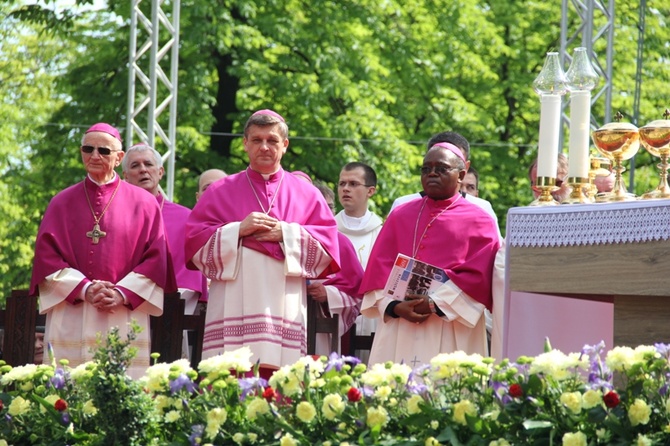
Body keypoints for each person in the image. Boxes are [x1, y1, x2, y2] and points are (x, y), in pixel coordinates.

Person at [184, 109, 340, 377]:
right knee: (230, 377)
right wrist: (237, 230)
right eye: (256, 140)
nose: (264, 147)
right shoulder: (221, 190)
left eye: (272, 140)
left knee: (282, 379)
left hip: (285, 303)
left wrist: (287, 233)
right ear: (245, 143)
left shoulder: (308, 194)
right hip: (232, 299)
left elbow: (327, 247)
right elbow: (194, 245)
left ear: (285, 145)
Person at [29, 123, 170, 378]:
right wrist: (85, 289)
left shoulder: (145, 204)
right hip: (72, 309)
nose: (94, 155)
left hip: (123, 312)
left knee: (120, 391)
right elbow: (46, 259)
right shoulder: (61, 202)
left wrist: (122, 293)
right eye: (88, 148)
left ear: (119, 157)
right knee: (68, 393)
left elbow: (156, 260)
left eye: (103, 150)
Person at [360, 142, 500, 365]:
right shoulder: (400, 215)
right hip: (400, 325)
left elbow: (479, 279)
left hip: (450, 325)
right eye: (426, 169)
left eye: (441, 168)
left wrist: (435, 303)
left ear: (461, 174)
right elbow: (379, 272)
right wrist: (395, 307)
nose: (432, 173)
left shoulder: (480, 220)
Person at [122, 143, 209, 359]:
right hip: (124, 306)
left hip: (173, 310)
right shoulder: (113, 216)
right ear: (125, 176)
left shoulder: (186, 218)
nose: (143, 169)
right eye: (135, 165)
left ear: (160, 172)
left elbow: (193, 273)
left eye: (148, 164)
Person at [293, 176, 364, 355]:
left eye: (330, 207)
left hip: (320, 326)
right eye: (319, 206)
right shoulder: (287, 238)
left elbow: (357, 291)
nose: (325, 212)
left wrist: (329, 294)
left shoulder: (341, 243)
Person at [389, 132, 499, 230]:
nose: (433, 173)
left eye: (442, 168)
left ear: (464, 169)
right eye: (428, 167)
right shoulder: (402, 207)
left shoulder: (482, 211)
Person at [334, 162, 383, 360]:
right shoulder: (328, 230)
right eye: (342, 183)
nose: (345, 189)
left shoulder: (383, 233)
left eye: (353, 184)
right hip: (333, 314)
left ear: (370, 191)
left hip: (371, 316)